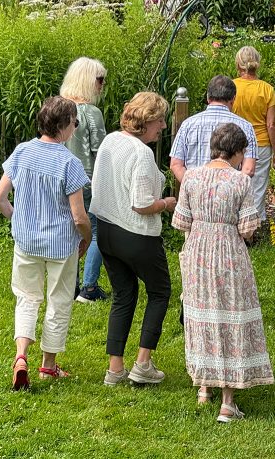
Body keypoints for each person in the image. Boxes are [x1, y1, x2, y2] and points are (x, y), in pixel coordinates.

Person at [173, 123, 274, 423]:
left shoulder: (191, 177)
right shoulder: (241, 182)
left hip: (198, 251)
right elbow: (247, 228)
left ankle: (204, 386)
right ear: (238, 151)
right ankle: (228, 401)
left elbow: (180, 221)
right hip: (229, 252)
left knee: (201, 312)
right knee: (231, 314)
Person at [0, 96, 93, 391]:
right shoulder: (69, 163)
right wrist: (86, 239)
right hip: (61, 245)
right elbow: (79, 216)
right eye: (74, 123)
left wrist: (17, 219)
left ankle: (21, 355)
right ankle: (48, 365)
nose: (75, 127)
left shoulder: (22, 152)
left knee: (26, 297)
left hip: (26, 241)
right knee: (58, 301)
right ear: (64, 126)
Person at [90, 92, 177, 386]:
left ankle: (115, 369)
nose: (163, 126)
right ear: (148, 120)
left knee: (123, 295)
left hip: (106, 231)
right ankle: (143, 363)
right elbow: (141, 204)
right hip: (136, 234)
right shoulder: (141, 153)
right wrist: (166, 203)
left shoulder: (111, 141)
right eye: (161, 120)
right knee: (160, 291)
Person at [60, 57, 109, 304]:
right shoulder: (91, 112)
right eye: (99, 80)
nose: (102, 85)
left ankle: (70, 284)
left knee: (69, 231)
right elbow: (100, 151)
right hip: (86, 180)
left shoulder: (59, 108)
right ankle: (88, 287)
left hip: (60, 181)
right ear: (88, 81)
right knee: (96, 231)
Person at [171, 75, 258, 182]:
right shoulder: (246, 127)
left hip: (195, 193)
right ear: (233, 99)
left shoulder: (188, 124)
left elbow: (176, 164)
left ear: (208, 97)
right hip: (229, 194)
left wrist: (192, 187)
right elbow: (248, 169)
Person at [231, 46, 275, 224]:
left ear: (238, 64)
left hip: (235, 143)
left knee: (235, 184)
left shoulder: (233, 86)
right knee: (258, 187)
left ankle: (235, 220)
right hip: (260, 143)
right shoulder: (266, 89)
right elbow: (271, 124)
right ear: (257, 65)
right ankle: (254, 225)